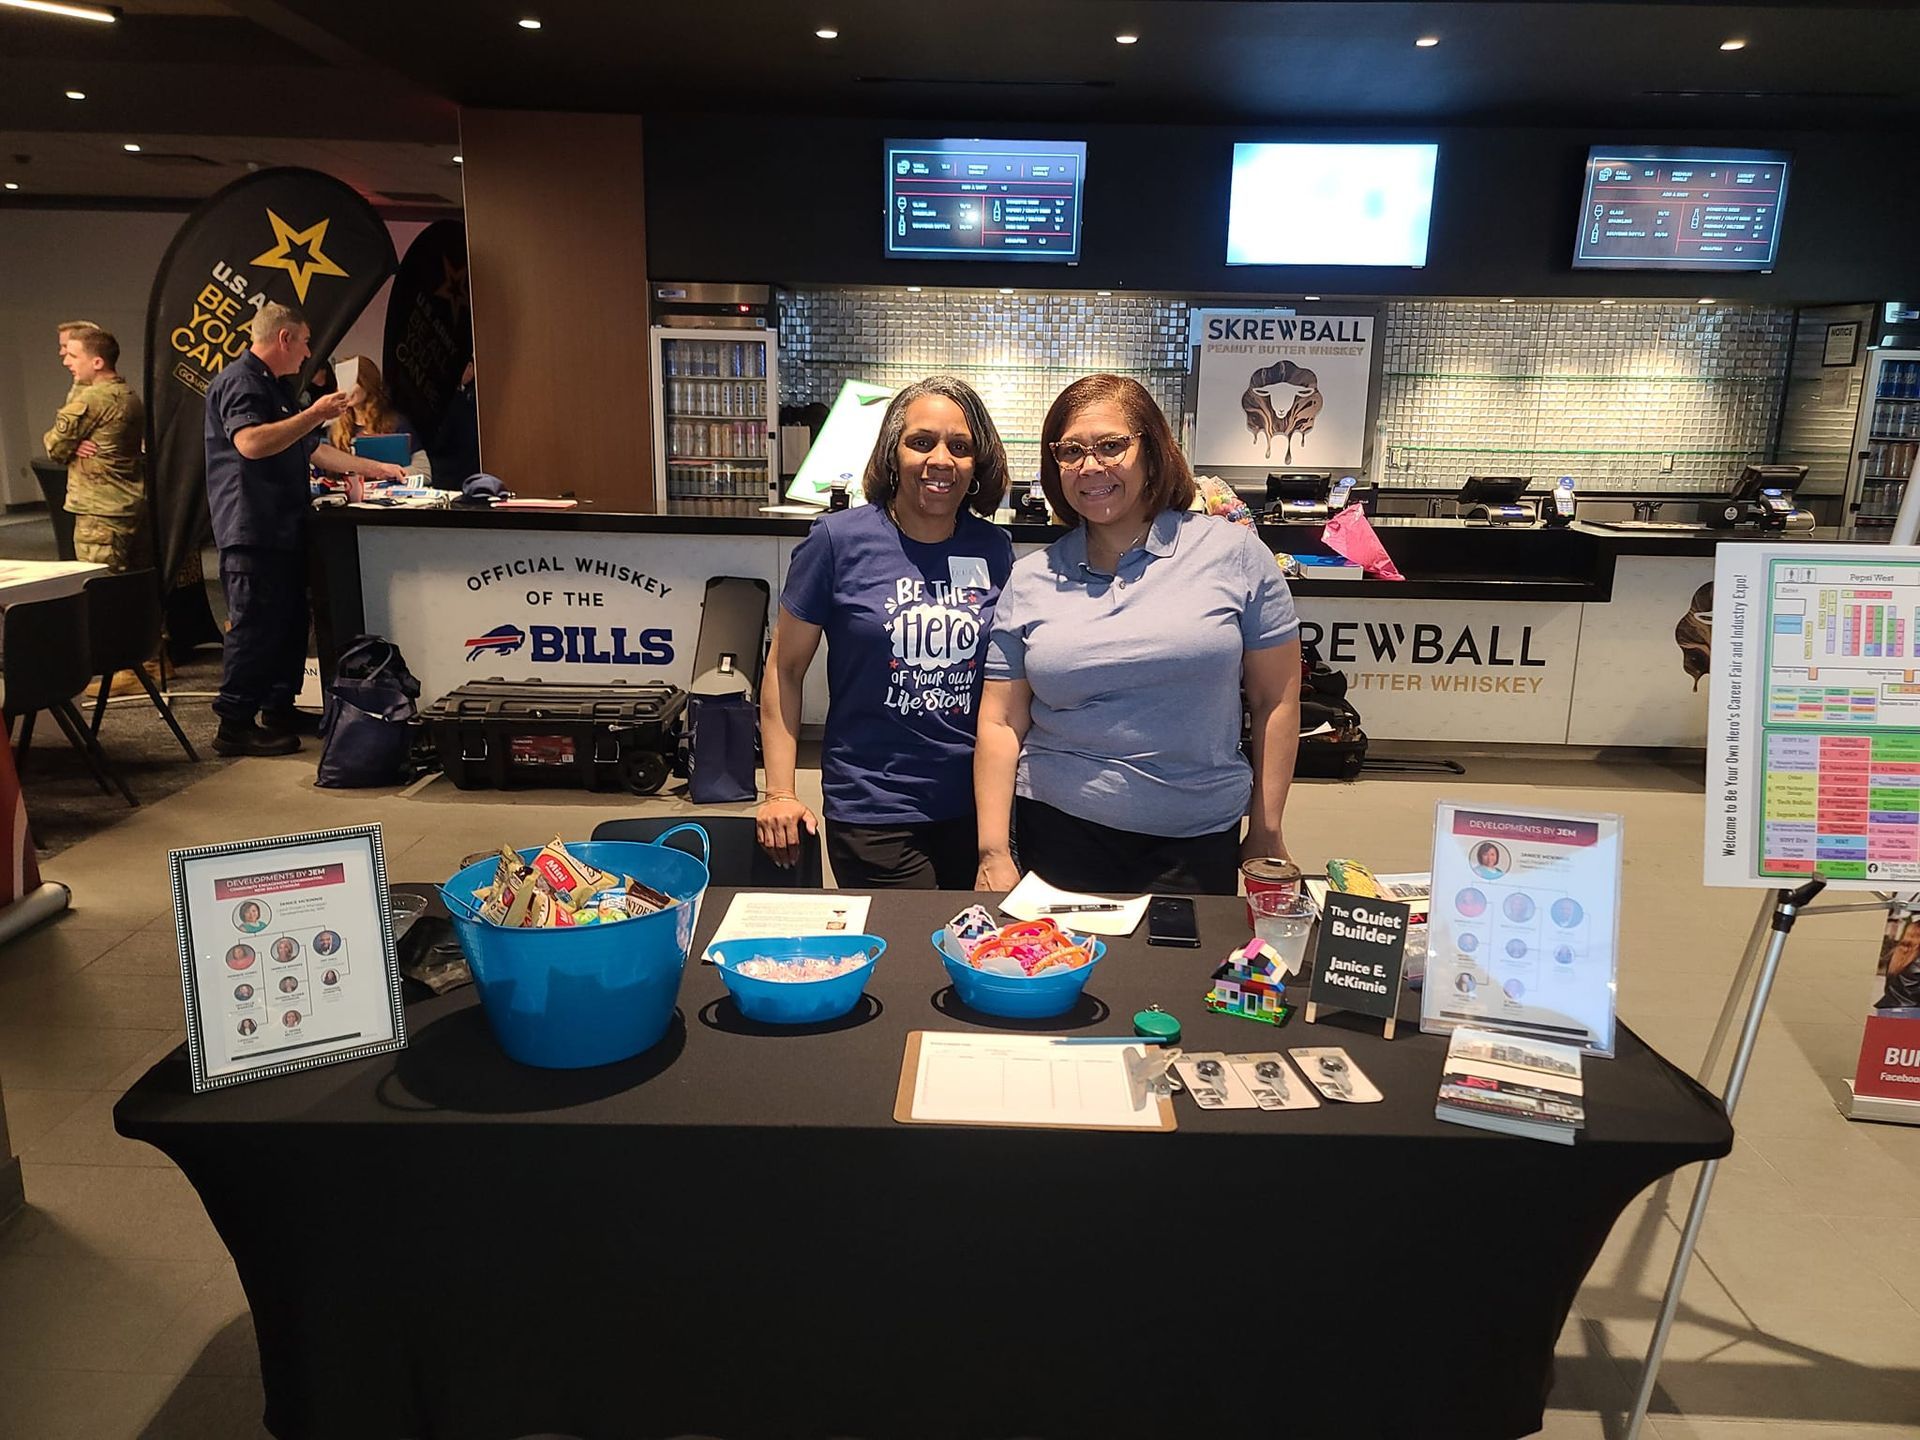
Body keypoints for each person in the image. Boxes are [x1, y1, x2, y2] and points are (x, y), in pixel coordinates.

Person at [975, 374, 1302, 896]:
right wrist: (993, 850)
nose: (1090, 466)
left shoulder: (1234, 555)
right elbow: (1000, 719)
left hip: (1197, 836)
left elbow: (1276, 699)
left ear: (1152, 451)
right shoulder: (1032, 577)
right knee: (1060, 975)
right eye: (1071, 451)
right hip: (1057, 830)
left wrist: (1265, 828)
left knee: (1182, 978)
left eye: (1111, 446)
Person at [756, 376, 1014, 888]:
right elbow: (784, 669)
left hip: (976, 804)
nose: (940, 459)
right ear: (892, 454)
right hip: (874, 802)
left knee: (979, 950)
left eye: (959, 447)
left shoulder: (994, 547)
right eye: (921, 442)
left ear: (976, 465)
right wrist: (780, 791)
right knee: (911, 955)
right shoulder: (837, 541)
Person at [204, 303, 408, 757]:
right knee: (255, 625)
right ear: (284, 339)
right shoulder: (240, 382)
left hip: (282, 523)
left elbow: (313, 450)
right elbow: (251, 443)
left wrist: (378, 468)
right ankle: (234, 723)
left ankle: (279, 706)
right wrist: (314, 413)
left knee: (290, 622)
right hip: (251, 525)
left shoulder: (273, 386)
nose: (308, 352)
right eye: (305, 341)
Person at [43, 326, 148, 572]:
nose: (68, 362)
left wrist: (69, 444)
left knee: (101, 589)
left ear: (98, 362)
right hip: (127, 504)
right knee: (133, 586)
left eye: (74, 356)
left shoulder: (93, 399)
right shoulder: (127, 393)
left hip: (99, 514)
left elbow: (56, 447)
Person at [327, 355, 416, 459]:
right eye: (341, 381)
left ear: (367, 382)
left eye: (351, 381)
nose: (345, 389)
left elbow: (422, 467)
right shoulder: (335, 427)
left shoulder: (396, 424)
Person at [428, 358, 481, 491]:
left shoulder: (467, 399)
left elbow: (445, 438)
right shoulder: (465, 396)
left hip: (459, 475)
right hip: (459, 476)